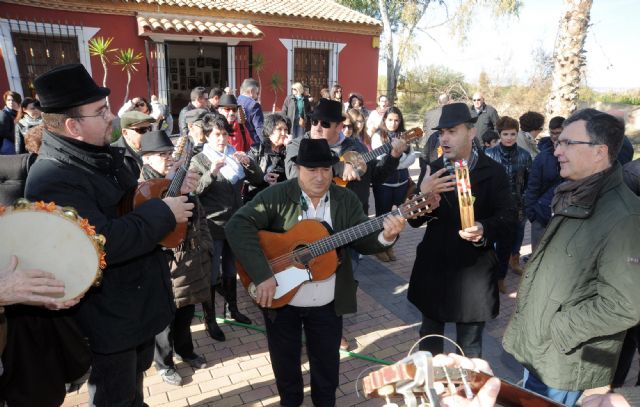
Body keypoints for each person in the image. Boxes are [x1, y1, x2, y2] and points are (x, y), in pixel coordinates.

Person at [25, 63, 197, 406]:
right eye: (101, 111)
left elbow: (127, 206)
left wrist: (165, 188)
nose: (112, 118)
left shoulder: (100, 155)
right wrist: (164, 211)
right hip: (108, 317)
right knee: (113, 396)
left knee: (131, 391)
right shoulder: (51, 179)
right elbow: (99, 242)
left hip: (134, 306)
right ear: (73, 125)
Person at [226, 137, 409, 406]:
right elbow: (237, 225)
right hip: (282, 299)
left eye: (325, 169)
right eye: (312, 170)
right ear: (298, 169)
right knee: (286, 366)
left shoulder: (345, 199)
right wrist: (262, 274)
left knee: (327, 369)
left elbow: (363, 240)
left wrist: (386, 235)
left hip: (327, 302)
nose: (320, 177)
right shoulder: (277, 195)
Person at [503, 109, 640, 406]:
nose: (556, 149)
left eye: (567, 143)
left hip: (563, 360)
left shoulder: (623, 216)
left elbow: (624, 304)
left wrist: (558, 329)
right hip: (544, 352)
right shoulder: (577, 192)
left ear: (599, 152)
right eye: (557, 141)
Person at [408, 102, 516, 358]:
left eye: (452, 131)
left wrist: (483, 228)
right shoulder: (432, 169)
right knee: (430, 342)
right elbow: (412, 221)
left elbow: (509, 217)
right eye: (442, 132)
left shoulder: (494, 172)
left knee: (470, 349)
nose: (444, 138)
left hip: (473, 272)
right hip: (435, 269)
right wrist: (422, 195)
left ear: (471, 132)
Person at [136, 130, 210, 386]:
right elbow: (150, 222)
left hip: (188, 257)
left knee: (186, 310)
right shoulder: (142, 186)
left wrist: (188, 192)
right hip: (162, 261)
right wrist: (172, 186)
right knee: (164, 318)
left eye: (169, 153)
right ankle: (163, 363)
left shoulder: (176, 178)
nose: (167, 158)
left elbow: (195, 216)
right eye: (160, 155)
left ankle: (185, 350)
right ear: (146, 159)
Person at [190, 113, 263, 331]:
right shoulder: (199, 160)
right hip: (212, 226)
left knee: (231, 271)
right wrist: (211, 173)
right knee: (212, 274)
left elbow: (257, 180)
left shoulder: (235, 155)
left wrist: (250, 163)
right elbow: (193, 190)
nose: (221, 139)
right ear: (207, 136)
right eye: (216, 134)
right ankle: (210, 320)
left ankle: (233, 309)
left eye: (224, 134)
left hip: (235, 224)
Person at [285, 99, 403, 217]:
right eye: (314, 121)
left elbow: (376, 176)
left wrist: (393, 157)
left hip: (353, 216)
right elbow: (293, 173)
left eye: (325, 124)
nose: (317, 127)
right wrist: (340, 167)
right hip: (315, 218)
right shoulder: (298, 145)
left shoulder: (357, 147)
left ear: (339, 127)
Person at [485, 116, 532, 293]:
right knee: (488, 246)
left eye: (513, 134)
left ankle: (500, 279)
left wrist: (524, 206)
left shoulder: (525, 156)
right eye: (505, 134)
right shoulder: (489, 154)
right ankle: (487, 278)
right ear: (499, 134)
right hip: (492, 208)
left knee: (506, 246)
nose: (509, 137)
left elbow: (529, 183)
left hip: (516, 208)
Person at [370, 106, 415, 262]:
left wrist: (396, 160)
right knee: (382, 215)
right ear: (385, 120)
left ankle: (390, 245)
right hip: (384, 184)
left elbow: (412, 158)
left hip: (402, 183)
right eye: (390, 119)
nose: (393, 123)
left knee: (398, 216)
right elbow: (382, 160)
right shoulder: (378, 136)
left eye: (397, 120)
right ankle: (379, 247)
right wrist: (399, 159)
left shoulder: (405, 136)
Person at [524, 115, 564, 251]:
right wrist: (533, 215)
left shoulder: (576, 157)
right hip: (541, 217)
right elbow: (532, 187)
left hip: (564, 219)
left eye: (558, 133)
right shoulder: (542, 157)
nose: (555, 137)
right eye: (552, 133)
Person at [245, 113, 289, 202]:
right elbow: (247, 177)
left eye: (286, 130)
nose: (284, 133)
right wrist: (264, 178)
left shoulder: (289, 152)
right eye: (279, 129)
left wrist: (291, 148)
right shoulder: (257, 150)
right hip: (257, 199)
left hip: (281, 199)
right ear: (269, 131)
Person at [112, 110, 157, 178]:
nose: (148, 133)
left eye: (150, 128)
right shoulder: (113, 154)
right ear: (125, 133)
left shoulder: (156, 147)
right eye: (142, 130)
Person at [237, 78, 264, 143]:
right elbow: (259, 128)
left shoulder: (235, 101)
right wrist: (266, 144)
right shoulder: (254, 105)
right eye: (256, 93)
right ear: (251, 91)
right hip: (252, 142)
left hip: (238, 140)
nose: (257, 96)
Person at [0, 91, 21, 155]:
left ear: (18, 101)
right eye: (8, 100)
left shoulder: (17, 112)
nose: (11, 102)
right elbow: (4, 133)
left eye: (13, 100)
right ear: (5, 102)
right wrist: (18, 141)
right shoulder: (4, 114)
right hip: (8, 145)